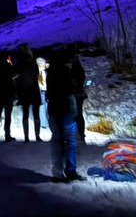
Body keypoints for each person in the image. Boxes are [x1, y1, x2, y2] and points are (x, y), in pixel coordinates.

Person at [46, 49, 85, 182]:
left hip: (65, 113)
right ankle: (62, 172)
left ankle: (68, 171)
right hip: (62, 112)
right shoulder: (61, 74)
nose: (70, 64)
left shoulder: (56, 72)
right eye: (69, 62)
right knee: (62, 143)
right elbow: (64, 90)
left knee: (68, 142)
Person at [14, 44, 42, 141]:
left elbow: (16, 77)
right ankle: (37, 136)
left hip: (23, 91)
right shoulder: (32, 63)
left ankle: (26, 137)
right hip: (33, 90)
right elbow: (37, 75)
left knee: (25, 114)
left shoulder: (19, 63)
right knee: (36, 114)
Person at [70, 51, 88, 140]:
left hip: (74, 94)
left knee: (75, 114)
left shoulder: (73, 70)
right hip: (80, 94)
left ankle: (76, 133)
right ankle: (81, 133)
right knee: (79, 113)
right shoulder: (81, 69)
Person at [36, 56, 49, 134]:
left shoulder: (45, 69)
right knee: (42, 107)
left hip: (45, 90)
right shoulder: (39, 71)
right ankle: (43, 124)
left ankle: (45, 123)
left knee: (45, 107)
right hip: (41, 91)